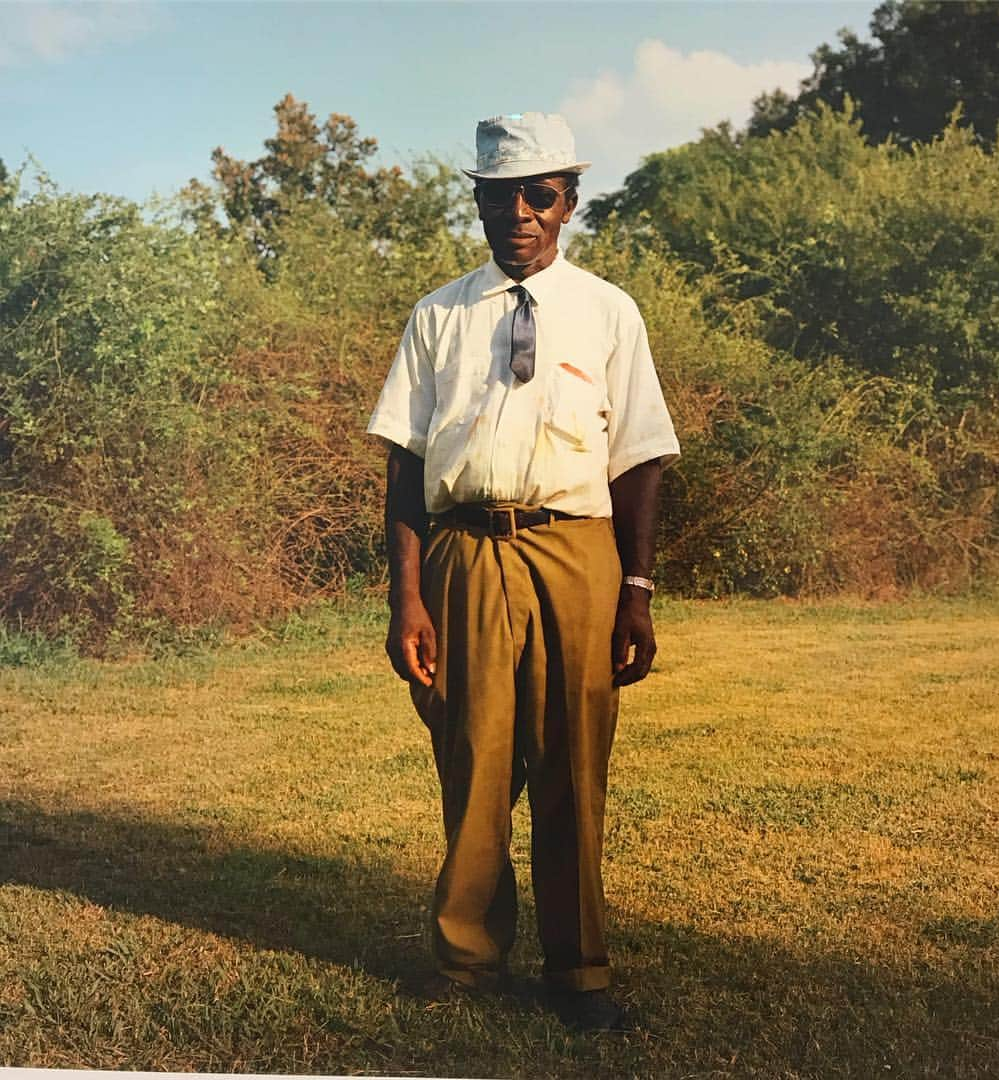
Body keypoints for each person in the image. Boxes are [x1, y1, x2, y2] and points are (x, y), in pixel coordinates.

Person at [367, 112, 679, 1032]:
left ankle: (580, 971)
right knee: (473, 755)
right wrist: (408, 597)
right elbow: (405, 463)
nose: (521, 214)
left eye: (539, 195)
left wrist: (636, 590)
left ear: (569, 203)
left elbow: (640, 460)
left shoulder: (610, 311)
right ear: (478, 203)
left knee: (574, 760)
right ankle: (466, 961)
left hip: (577, 551)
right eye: (500, 196)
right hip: (465, 549)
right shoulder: (439, 315)